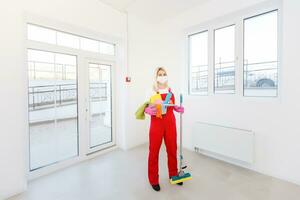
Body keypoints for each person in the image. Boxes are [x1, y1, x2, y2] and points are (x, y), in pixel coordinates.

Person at [144, 67, 184, 191]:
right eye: (160, 74)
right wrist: (147, 110)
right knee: (154, 152)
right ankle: (153, 179)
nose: (162, 76)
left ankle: (173, 175)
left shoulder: (171, 91)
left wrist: (177, 108)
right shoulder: (151, 91)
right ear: (156, 77)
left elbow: (171, 107)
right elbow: (144, 107)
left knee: (172, 149)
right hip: (157, 124)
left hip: (170, 123)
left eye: (164, 74)